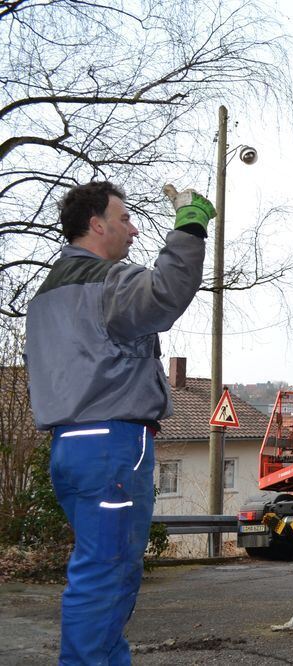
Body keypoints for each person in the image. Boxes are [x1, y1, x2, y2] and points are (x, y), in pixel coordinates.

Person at [25, 180, 216, 665]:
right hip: (110, 442)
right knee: (106, 574)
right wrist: (190, 226)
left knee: (102, 570)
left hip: (72, 446)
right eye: (125, 218)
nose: (132, 230)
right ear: (97, 225)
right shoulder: (105, 283)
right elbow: (165, 293)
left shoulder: (46, 296)